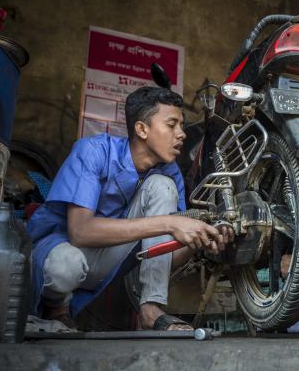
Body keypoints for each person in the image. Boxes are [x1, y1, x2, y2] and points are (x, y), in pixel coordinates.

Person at [27, 86, 232, 331]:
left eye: (181, 125)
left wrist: (195, 242)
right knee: (66, 265)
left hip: (108, 260)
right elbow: (81, 231)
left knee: (162, 185)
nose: (181, 134)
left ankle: (151, 307)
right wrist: (170, 223)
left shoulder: (170, 172)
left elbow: (162, 256)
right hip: (63, 249)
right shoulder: (93, 151)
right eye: (171, 125)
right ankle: (56, 307)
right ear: (142, 129)